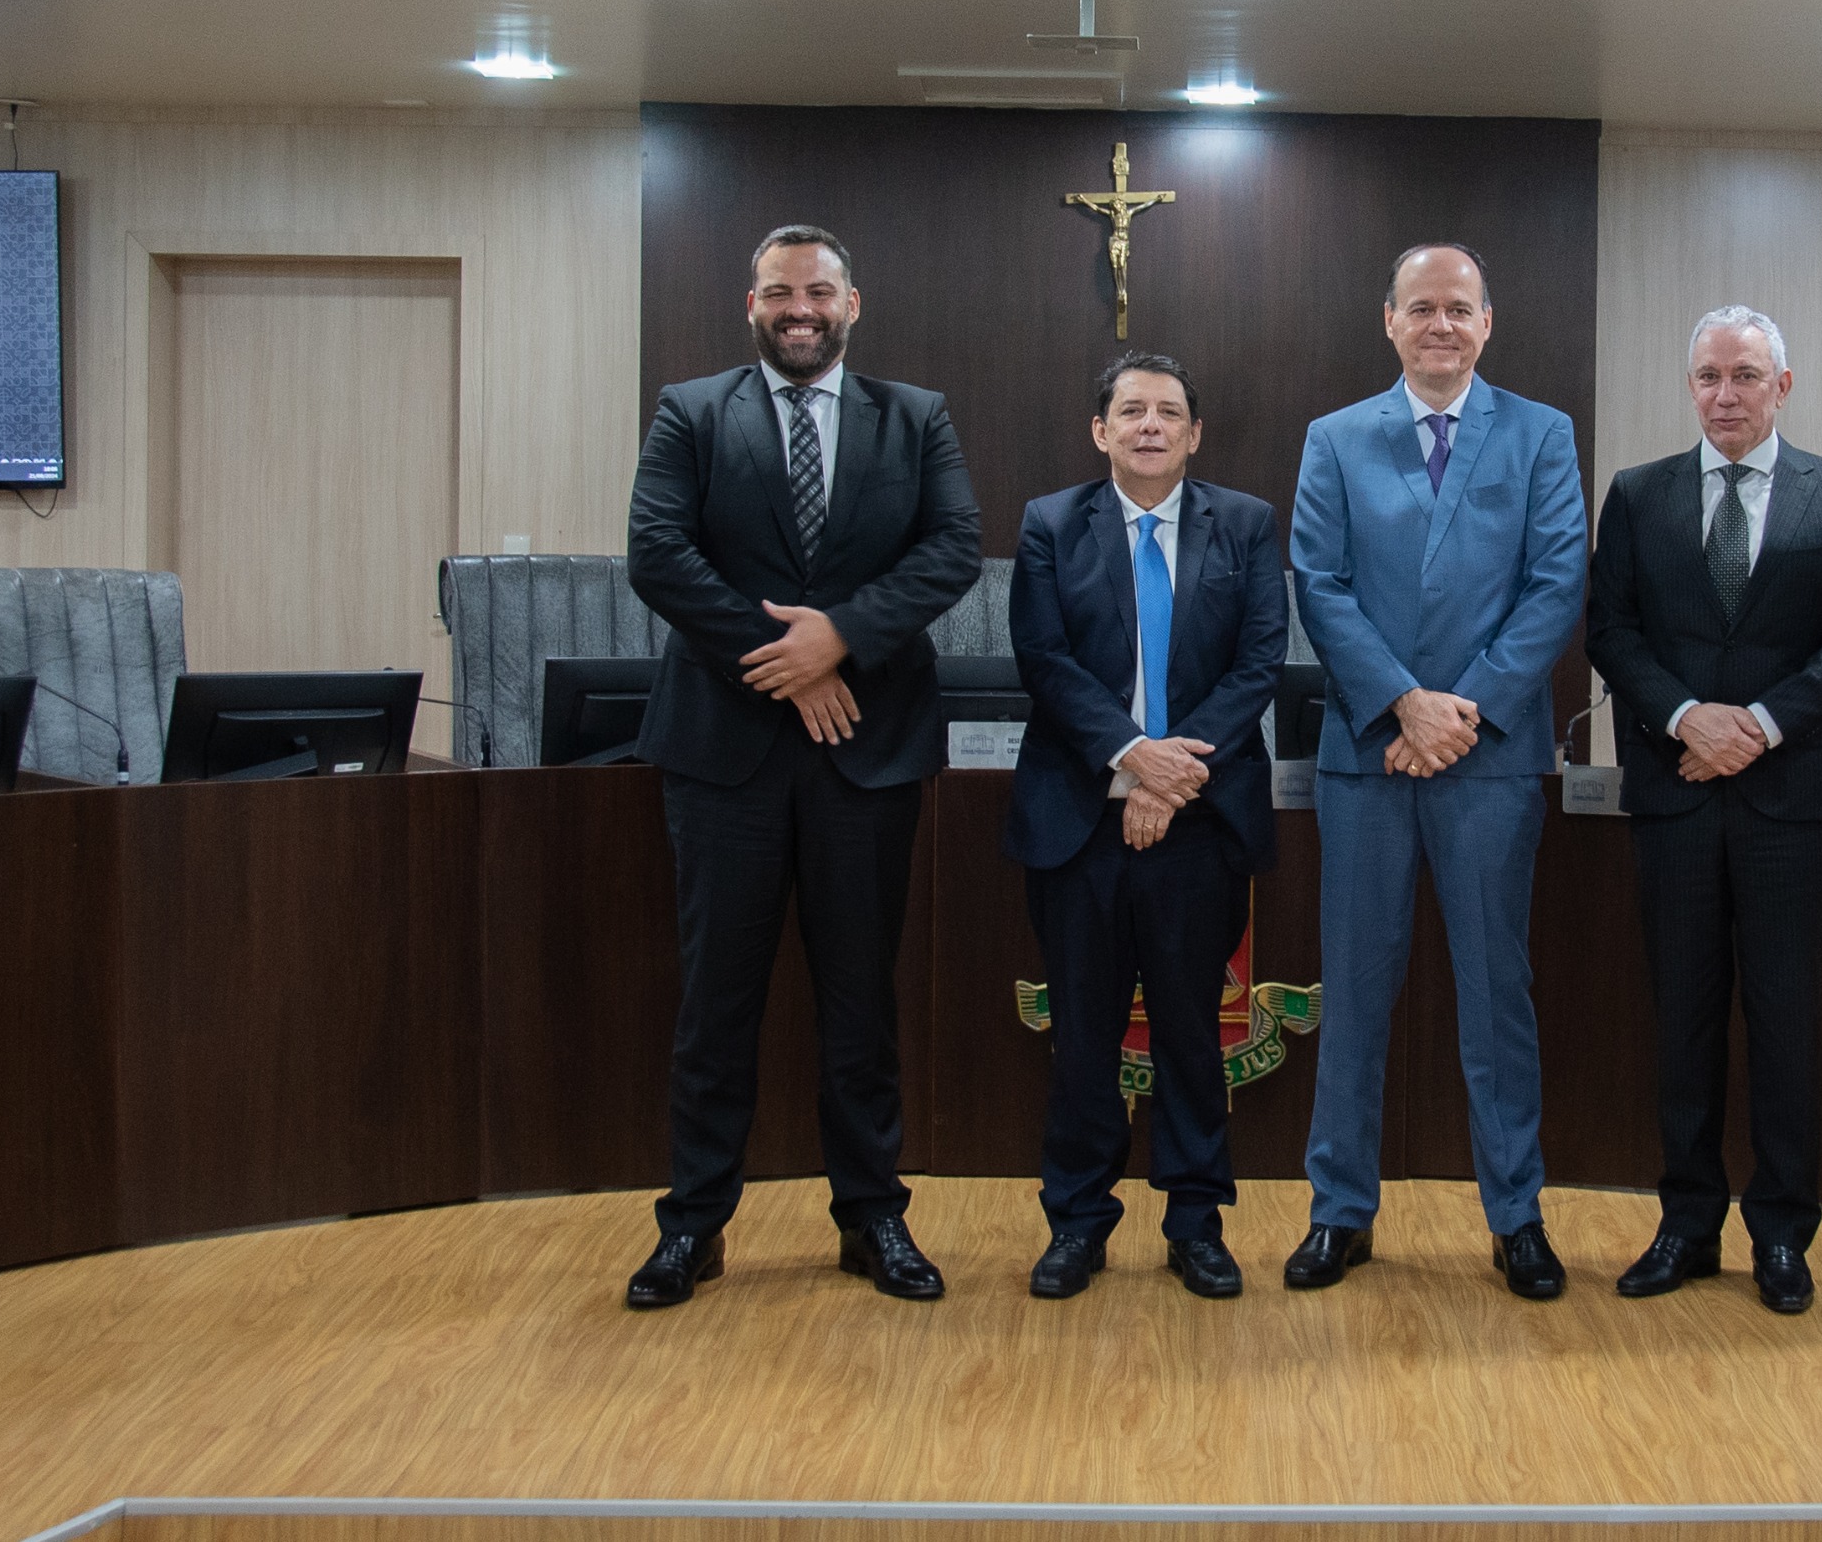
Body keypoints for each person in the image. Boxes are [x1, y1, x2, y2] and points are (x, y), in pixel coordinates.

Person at [622, 224, 982, 1310]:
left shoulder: (915, 416)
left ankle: (872, 1214)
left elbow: (952, 548)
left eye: (816, 290)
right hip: (723, 757)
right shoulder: (693, 410)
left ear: (851, 303)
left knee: (859, 1001)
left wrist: (843, 637)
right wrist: (790, 660)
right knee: (715, 1002)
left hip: (864, 759)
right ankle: (693, 1224)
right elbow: (658, 553)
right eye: (779, 291)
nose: (798, 307)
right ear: (752, 304)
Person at [1284, 242, 1589, 1299]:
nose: (1441, 324)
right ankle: (1339, 1212)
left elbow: (1556, 583)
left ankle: (1516, 1215)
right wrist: (1402, 702)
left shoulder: (1542, 434)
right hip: (1368, 755)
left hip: (1489, 758)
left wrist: (1459, 711)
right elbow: (1317, 583)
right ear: (1390, 321)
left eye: (1459, 308)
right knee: (1355, 994)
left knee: (1495, 995)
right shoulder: (1334, 438)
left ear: (1487, 322)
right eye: (1422, 308)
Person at [1584, 305, 1822, 1316]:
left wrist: (1755, 722)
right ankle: (1685, 1222)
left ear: (1782, 386)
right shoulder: (1637, 494)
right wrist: (1683, 718)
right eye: (1709, 375)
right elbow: (1611, 630)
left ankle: (1781, 1232)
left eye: (1745, 375)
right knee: (1682, 1019)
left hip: (1788, 801)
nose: (1725, 392)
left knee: (1784, 1021)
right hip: (1676, 797)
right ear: (1691, 386)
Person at [1004, 352, 1287, 1300]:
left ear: (1195, 434)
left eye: (1170, 412)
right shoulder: (1052, 524)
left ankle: (1197, 1222)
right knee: (1084, 1034)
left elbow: (1258, 663)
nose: (1151, 426)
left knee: (1189, 1032)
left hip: (1200, 821)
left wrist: (1171, 775)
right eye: (1132, 411)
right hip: (1080, 820)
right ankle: (1078, 1223)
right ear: (1102, 431)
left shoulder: (1245, 524)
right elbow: (1044, 661)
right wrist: (1132, 754)